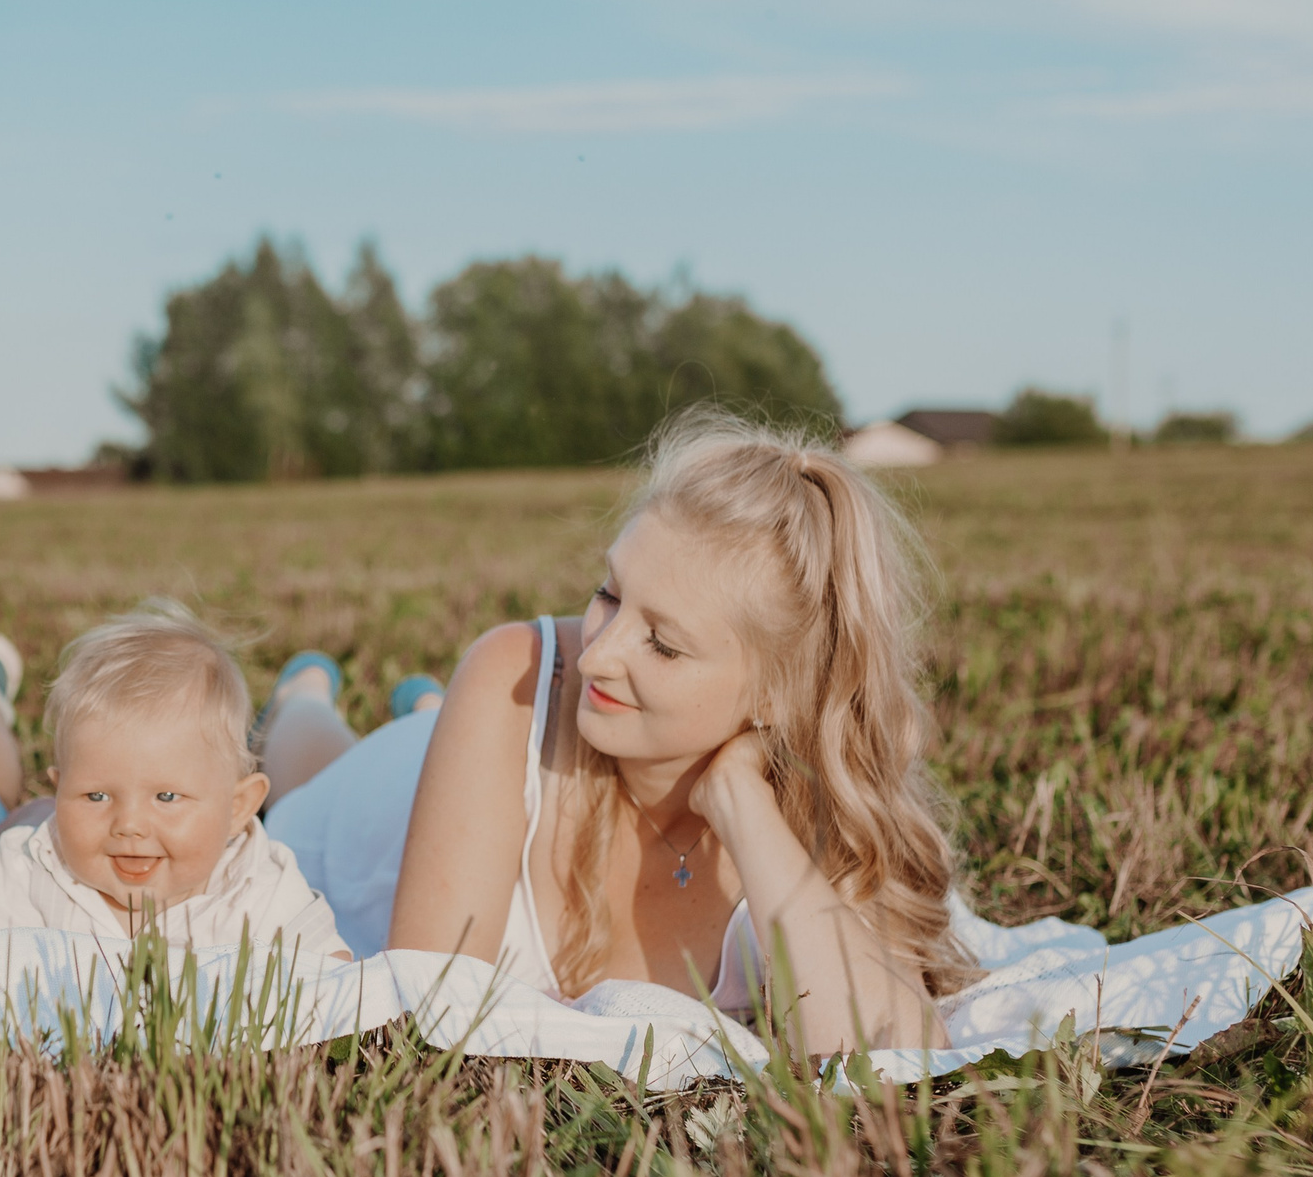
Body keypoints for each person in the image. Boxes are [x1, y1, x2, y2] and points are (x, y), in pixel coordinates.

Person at [261, 409, 973, 1051]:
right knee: (304, 761)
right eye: (609, 593)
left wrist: (741, 801)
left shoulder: (811, 810)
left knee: (440, 723)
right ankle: (310, 690)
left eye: (662, 643)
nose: (597, 653)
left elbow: (895, 1046)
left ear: (778, 696)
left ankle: (425, 707)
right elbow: (428, 1008)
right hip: (382, 802)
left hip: (489, 757)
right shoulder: (523, 667)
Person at [0, 605, 352, 959]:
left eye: (166, 797)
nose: (129, 824)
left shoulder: (260, 886)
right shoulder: (25, 871)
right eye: (96, 795)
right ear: (59, 791)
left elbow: (338, 982)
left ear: (237, 809)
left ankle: (304, 689)